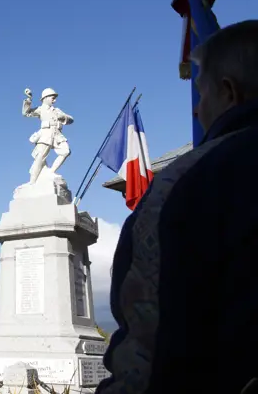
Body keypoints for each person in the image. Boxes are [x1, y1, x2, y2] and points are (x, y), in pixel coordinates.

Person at [97, 20, 258, 394]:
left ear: (229, 91)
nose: (196, 112)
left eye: (200, 96)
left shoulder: (186, 190)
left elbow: (147, 359)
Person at [22, 87, 74, 184]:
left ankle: (51, 172)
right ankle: (32, 181)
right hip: (46, 134)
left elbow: (71, 119)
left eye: (54, 98)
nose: (54, 100)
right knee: (40, 157)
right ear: (45, 98)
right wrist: (29, 99)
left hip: (57, 134)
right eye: (52, 97)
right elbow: (26, 113)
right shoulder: (40, 109)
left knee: (65, 151)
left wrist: (63, 117)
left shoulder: (57, 110)